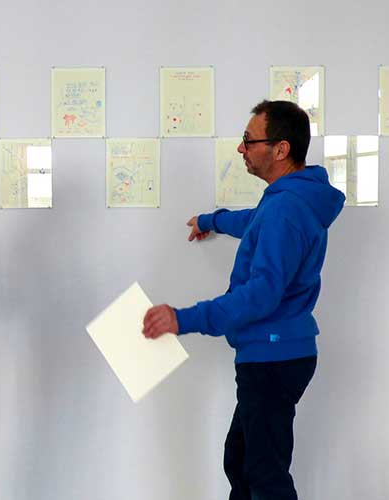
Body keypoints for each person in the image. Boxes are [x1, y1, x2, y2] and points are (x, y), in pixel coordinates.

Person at [142, 100, 345, 500]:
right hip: (276, 352)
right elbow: (254, 222)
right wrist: (211, 221)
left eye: (249, 141)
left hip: (273, 355)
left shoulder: (285, 209)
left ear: (281, 149)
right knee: (241, 461)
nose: (241, 148)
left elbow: (262, 294)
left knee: (264, 474)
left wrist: (183, 319)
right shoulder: (289, 199)